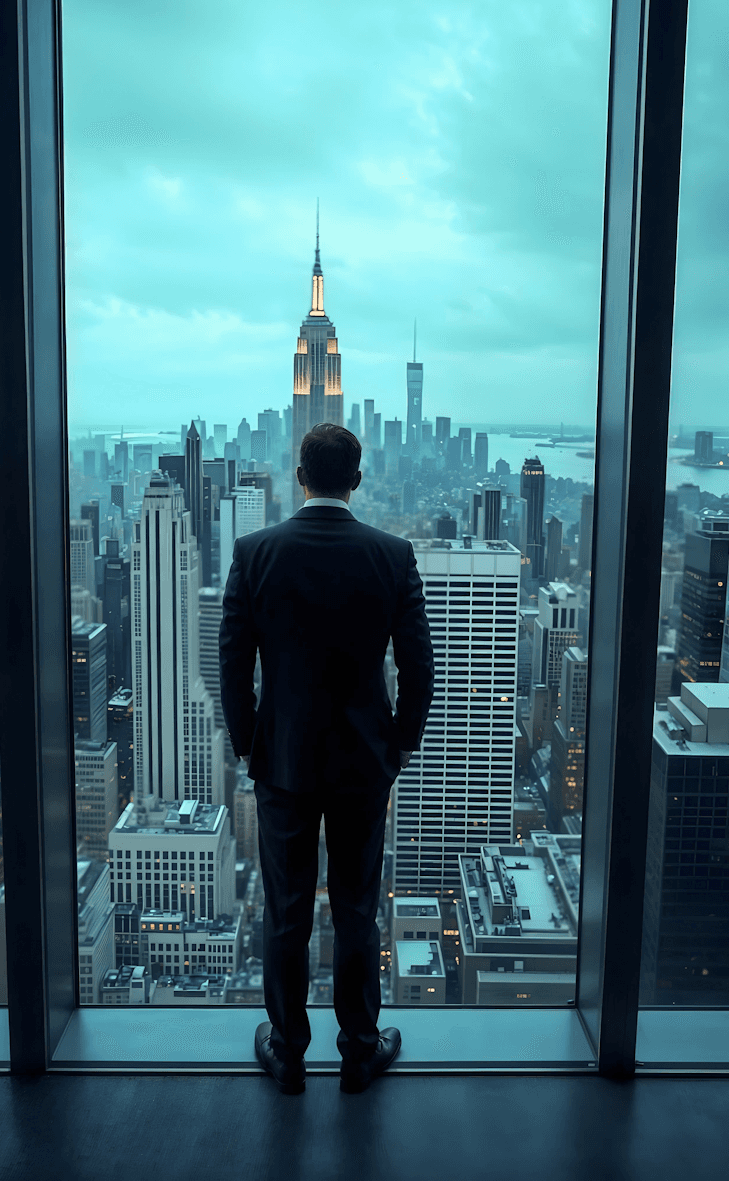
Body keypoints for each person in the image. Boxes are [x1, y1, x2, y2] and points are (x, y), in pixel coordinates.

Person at [219, 422, 435, 1095]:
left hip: (281, 762)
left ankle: (287, 1053)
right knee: (355, 910)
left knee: (285, 912)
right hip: (363, 763)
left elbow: (232, 665)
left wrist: (249, 743)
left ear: (298, 476)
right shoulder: (391, 555)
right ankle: (358, 1051)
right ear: (358, 479)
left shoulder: (255, 552)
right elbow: (419, 666)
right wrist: (399, 741)